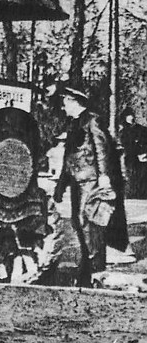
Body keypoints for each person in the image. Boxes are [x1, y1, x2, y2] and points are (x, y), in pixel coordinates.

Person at [53, 85, 131, 286]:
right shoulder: (74, 124)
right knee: (79, 223)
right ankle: (87, 271)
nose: (62, 107)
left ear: (74, 101)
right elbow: (69, 156)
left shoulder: (92, 120)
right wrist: (61, 185)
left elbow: (101, 149)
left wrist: (104, 176)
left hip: (91, 182)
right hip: (78, 181)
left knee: (90, 224)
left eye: (65, 102)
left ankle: (96, 272)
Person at [120, 108, 147, 199]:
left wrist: (144, 153)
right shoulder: (123, 132)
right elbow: (126, 146)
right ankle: (134, 195)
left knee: (142, 177)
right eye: (128, 116)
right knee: (133, 177)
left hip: (142, 157)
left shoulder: (142, 129)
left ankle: (141, 195)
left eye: (131, 116)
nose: (130, 118)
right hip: (131, 158)